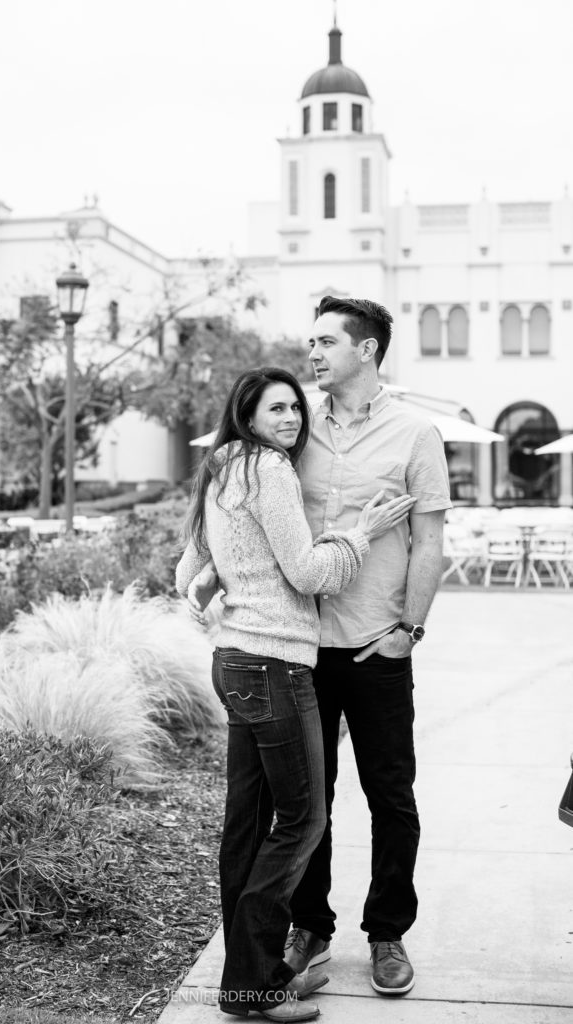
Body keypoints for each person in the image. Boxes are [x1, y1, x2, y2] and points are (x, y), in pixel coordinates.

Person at [189, 299, 452, 998]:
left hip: (374, 644)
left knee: (390, 794)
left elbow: (429, 540)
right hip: (298, 649)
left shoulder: (415, 434)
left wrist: (408, 630)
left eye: (326, 340)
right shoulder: (289, 428)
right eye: (310, 340)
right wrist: (220, 565)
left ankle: (387, 932)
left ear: (365, 351)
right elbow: (255, 515)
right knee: (308, 804)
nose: (312, 352)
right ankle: (309, 927)